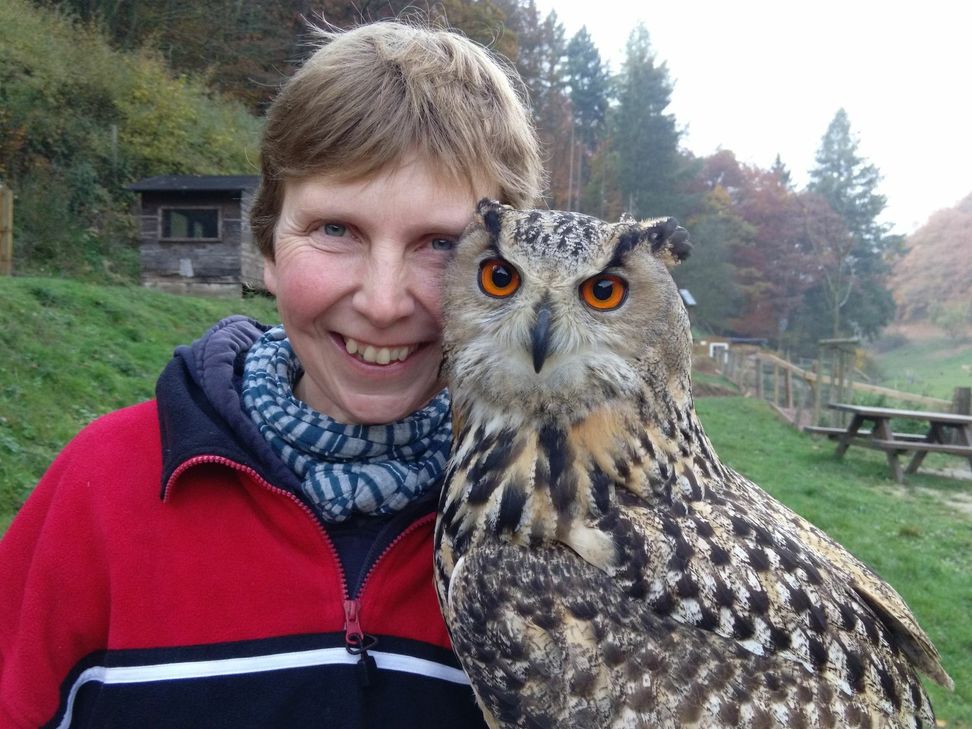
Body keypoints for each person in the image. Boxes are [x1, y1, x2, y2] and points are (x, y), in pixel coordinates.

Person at [0, 20, 543, 728]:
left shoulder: (569, 534)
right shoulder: (98, 494)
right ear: (266, 246)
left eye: (443, 244)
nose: (383, 303)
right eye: (335, 230)